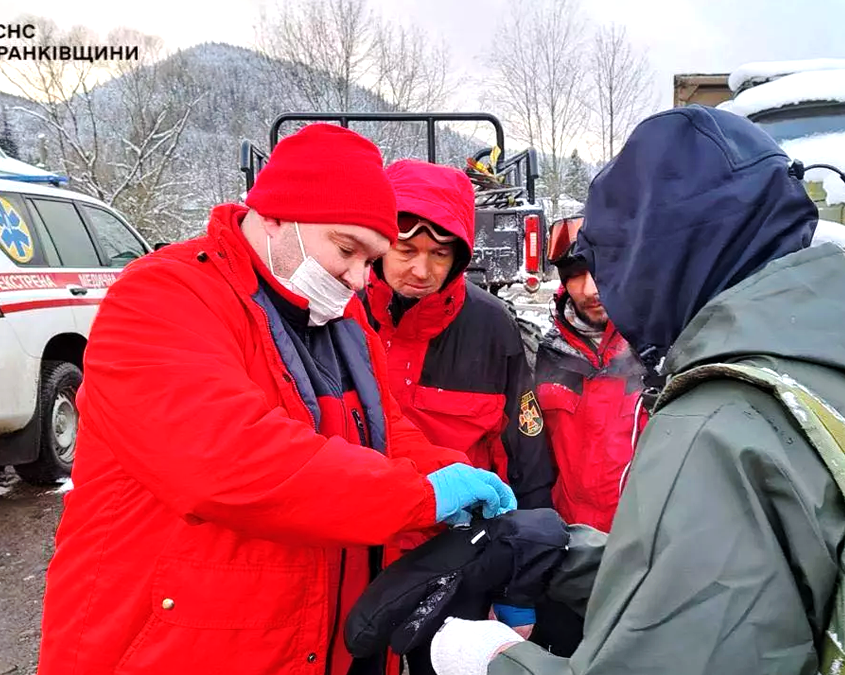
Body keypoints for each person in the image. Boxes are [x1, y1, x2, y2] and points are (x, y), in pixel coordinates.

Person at [427, 105, 845, 675]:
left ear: (655, 253)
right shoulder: (840, 367)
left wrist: (491, 660)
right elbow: (763, 584)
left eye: (610, 261)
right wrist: (561, 554)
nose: (604, 288)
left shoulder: (715, 423)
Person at [36, 123, 517, 675]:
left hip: (317, 636)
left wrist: (448, 473)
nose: (360, 279)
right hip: (180, 645)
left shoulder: (341, 317)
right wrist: (419, 496)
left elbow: (384, 431)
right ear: (276, 215)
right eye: (347, 249)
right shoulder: (162, 297)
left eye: (371, 260)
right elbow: (224, 458)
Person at [361, 159, 556, 513]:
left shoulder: (493, 328)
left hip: (456, 536)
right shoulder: (343, 314)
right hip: (358, 531)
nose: (421, 271)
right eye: (406, 251)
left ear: (458, 257)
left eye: (439, 254)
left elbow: (525, 454)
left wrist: (532, 528)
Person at [536, 213, 647, 534]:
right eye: (575, 276)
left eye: (600, 271)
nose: (589, 289)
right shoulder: (549, 355)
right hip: (570, 538)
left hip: (641, 540)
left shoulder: (659, 350)